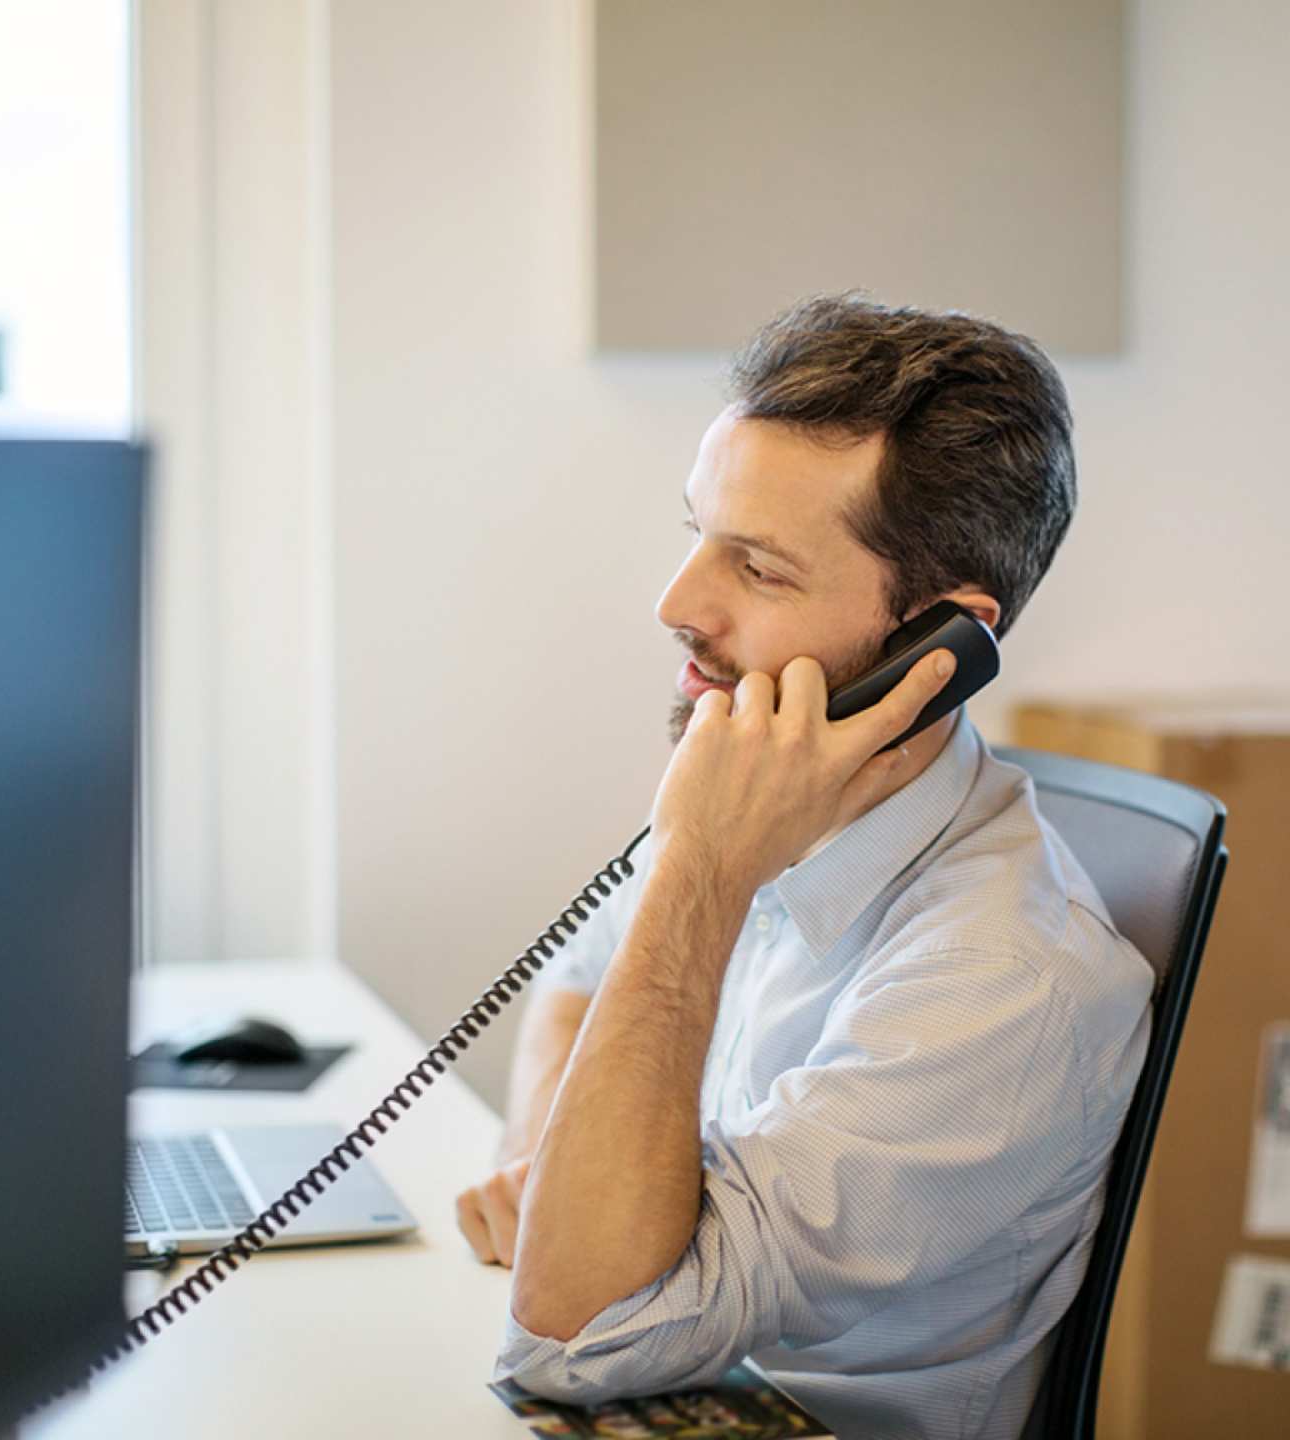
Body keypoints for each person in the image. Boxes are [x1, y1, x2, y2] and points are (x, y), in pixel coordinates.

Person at [456, 293, 1153, 1440]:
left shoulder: (1002, 985)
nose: (677, 606)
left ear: (935, 646)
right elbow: (579, 983)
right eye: (696, 536)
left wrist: (698, 874)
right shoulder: (782, 803)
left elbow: (578, 1327)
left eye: (760, 571)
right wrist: (545, 1163)